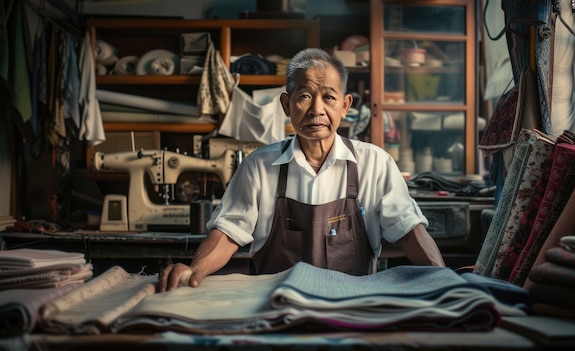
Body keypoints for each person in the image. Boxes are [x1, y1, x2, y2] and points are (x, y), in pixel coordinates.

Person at [159, 48, 445, 292]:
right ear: (287, 105)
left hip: (353, 306)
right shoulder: (258, 166)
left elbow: (409, 230)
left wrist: (444, 279)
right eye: (305, 96)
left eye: (329, 98)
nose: (316, 110)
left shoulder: (375, 163)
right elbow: (228, 232)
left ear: (345, 106)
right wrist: (193, 270)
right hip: (275, 306)